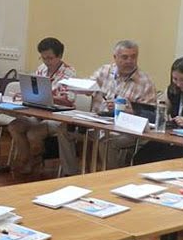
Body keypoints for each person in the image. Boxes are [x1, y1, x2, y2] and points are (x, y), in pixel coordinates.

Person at [56, 40, 156, 174]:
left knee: (106, 141)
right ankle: (70, 174)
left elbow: (151, 116)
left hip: (124, 129)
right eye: (125, 57)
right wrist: (78, 88)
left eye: (133, 57)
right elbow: (88, 87)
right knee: (63, 129)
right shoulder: (104, 71)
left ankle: (112, 178)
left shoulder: (145, 82)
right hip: (96, 123)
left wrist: (128, 110)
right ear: (115, 57)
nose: (129, 61)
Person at [8, 37, 77, 174]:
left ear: (59, 56)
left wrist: (49, 97)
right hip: (39, 113)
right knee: (14, 126)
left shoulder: (69, 72)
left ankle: (36, 160)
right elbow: (35, 90)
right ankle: (25, 158)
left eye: (50, 58)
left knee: (34, 133)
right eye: (43, 58)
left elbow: (69, 100)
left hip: (58, 117)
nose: (46, 62)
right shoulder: (41, 69)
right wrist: (25, 94)